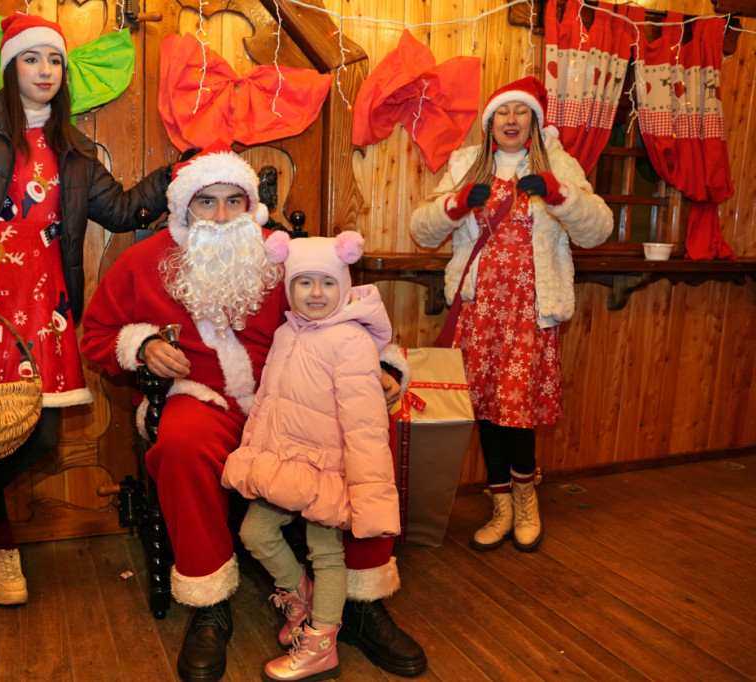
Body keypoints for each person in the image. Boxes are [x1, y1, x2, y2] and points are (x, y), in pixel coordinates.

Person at [80, 143, 425, 681]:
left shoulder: (281, 252)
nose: (221, 217)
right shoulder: (143, 262)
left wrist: (383, 368)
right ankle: (210, 602)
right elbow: (97, 335)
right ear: (183, 208)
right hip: (202, 398)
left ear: (252, 205)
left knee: (362, 429)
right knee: (182, 444)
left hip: (294, 395)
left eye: (234, 201)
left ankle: (361, 600)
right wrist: (142, 345)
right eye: (206, 203)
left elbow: (343, 305)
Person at [0, 13, 171, 606]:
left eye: (54, 60)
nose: (45, 70)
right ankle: (1, 548)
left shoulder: (73, 151)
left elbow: (126, 210)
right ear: (10, 68)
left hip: (42, 317)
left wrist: (176, 177)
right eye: (32, 59)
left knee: (39, 436)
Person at [410, 77, 613, 553]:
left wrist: (560, 195)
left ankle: (526, 501)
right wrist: (456, 204)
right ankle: (500, 504)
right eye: (503, 113)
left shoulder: (558, 165)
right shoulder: (466, 164)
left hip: (529, 310)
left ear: (534, 123)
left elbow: (597, 230)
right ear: (490, 122)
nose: (512, 121)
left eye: (521, 113)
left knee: (517, 412)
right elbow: (422, 229)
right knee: (484, 410)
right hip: (479, 310)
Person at [220, 230, 401, 682]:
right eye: (304, 283)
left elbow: (365, 427)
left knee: (326, 551)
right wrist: (252, 455)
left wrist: (370, 496)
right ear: (289, 287)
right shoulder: (287, 332)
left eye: (326, 282)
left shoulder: (351, 342)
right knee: (255, 532)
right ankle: (301, 597)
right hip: (283, 462)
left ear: (343, 284)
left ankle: (321, 644)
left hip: (327, 469)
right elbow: (267, 399)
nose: (316, 293)